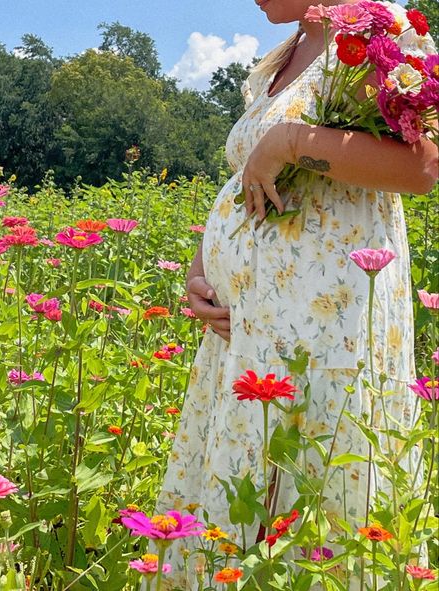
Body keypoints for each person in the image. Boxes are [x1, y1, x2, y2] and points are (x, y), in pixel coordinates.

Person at [151, 1, 438, 589]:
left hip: (325, 322)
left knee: (315, 475)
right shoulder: (279, 58)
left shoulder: (380, 33)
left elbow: (424, 167)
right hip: (249, 328)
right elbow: (244, 179)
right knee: (249, 480)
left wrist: (289, 141)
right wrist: (205, 267)